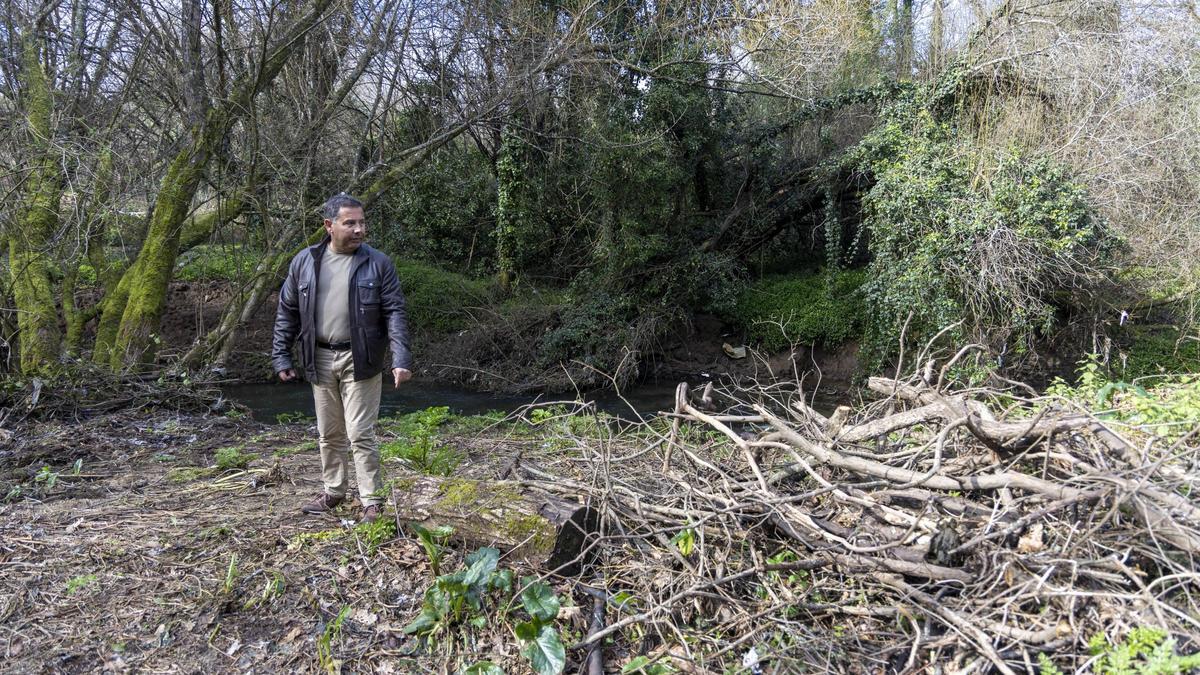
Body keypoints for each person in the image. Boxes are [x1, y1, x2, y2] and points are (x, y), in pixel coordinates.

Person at [271, 192, 412, 524]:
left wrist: (400, 358)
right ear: (329, 225)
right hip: (318, 357)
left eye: (362, 222)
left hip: (361, 358)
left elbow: (395, 312)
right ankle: (334, 492)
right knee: (329, 432)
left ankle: (372, 501)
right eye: (350, 223)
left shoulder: (378, 263)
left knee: (360, 432)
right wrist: (281, 357)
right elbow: (287, 312)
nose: (359, 229)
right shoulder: (304, 262)